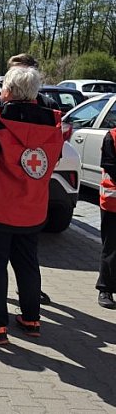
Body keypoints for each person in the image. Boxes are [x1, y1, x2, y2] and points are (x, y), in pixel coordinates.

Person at [0, 66, 63, 344]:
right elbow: (52, 160)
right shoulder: (54, 122)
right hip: (33, 206)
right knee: (28, 263)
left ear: (7, 90)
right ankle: (31, 318)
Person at [97, 130, 116, 309]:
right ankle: (105, 288)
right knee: (111, 247)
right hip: (113, 203)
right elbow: (109, 165)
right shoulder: (112, 137)